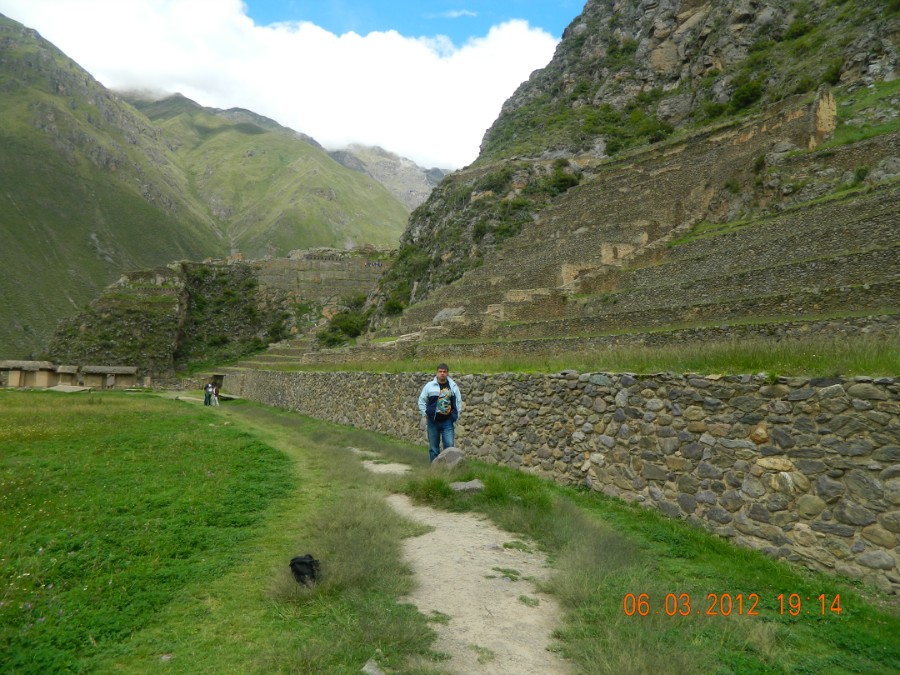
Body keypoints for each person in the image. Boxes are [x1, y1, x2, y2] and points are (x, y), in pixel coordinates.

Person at [417, 363, 462, 462]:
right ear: (437, 373)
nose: (442, 374)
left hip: (447, 422)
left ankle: (449, 470)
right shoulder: (429, 386)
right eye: (440, 371)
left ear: (447, 373)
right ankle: (435, 471)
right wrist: (425, 414)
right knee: (434, 449)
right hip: (433, 422)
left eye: (444, 372)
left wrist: (454, 416)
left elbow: (458, 402)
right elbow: (422, 401)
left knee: (449, 447)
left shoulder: (453, 387)